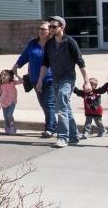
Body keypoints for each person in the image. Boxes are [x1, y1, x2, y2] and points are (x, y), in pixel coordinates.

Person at [36, 16, 88, 148]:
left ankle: (63, 137)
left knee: (60, 106)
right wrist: (40, 80)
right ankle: (74, 136)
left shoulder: (70, 42)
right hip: (56, 79)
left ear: (62, 27)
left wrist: (86, 81)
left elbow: (80, 62)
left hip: (68, 79)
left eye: (54, 27)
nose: (51, 29)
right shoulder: (49, 44)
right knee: (65, 108)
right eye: (50, 27)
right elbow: (45, 63)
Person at [12, 22, 56, 138]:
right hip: (35, 79)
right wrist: (17, 65)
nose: (41, 31)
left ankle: (50, 128)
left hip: (50, 79)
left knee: (49, 104)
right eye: (40, 29)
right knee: (43, 104)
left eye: (44, 29)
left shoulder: (52, 44)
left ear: (50, 31)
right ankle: (53, 125)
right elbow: (25, 56)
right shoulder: (33, 43)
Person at [0, 69, 19, 135]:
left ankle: (12, 127)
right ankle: (7, 127)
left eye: (5, 74)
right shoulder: (0, 85)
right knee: (5, 116)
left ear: (10, 76)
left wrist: (17, 75)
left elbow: (22, 81)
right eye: (2, 75)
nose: (3, 76)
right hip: (4, 102)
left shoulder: (12, 83)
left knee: (9, 115)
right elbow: (0, 94)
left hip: (12, 102)